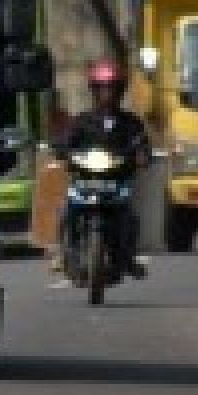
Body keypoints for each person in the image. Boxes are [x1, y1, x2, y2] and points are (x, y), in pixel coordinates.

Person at [59, 58, 152, 278]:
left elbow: (142, 143)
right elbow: (66, 142)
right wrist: (62, 150)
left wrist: (142, 154)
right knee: (67, 211)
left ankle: (128, 256)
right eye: (102, 89)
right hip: (85, 180)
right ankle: (65, 252)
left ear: (119, 91)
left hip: (117, 181)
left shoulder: (130, 122)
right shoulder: (82, 121)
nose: (107, 94)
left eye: (111, 89)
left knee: (129, 217)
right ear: (94, 91)